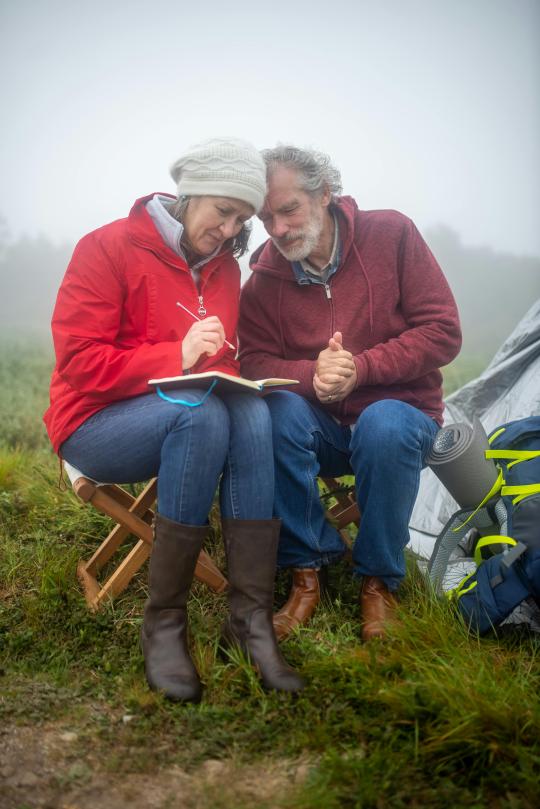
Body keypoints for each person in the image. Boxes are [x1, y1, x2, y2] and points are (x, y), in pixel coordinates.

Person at [44, 137, 304, 701]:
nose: (232, 230)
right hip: (94, 424)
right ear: (188, 196)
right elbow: (80, 364)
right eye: (223, 212)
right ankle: (164, 623)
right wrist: (177, 357)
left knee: (252, 412)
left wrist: (235, 376)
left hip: (184, 412)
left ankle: (250, 622)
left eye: (242, 219)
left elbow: (221, 359)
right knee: (201, 417)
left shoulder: (225, 270)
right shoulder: (106, 247)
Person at [238, 145, 462, 642]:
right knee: (272, 412)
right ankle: (305, 571)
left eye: (288, 209)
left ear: (324, 194)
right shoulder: (262, 282)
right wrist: (310, 375)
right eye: (265, 217)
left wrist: (360, 369)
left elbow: (443, 330)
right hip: (320, 428)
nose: (277, 229)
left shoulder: (392, 234)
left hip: (401, 419)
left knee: (384, 423)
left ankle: (379, 582)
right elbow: (251, 360)